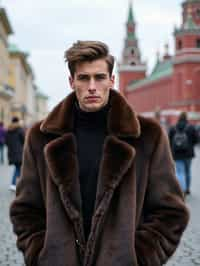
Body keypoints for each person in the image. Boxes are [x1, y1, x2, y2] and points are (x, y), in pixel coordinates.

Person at [10, 41, 189, 266]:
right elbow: (25, 210)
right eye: (84, 78)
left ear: (112, 81)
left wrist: (139, 258)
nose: (92, 86)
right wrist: (40, 254)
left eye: (100, 77)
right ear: (71, 81)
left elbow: (170, 212)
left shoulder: (147, 137)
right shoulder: (41, 138)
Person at [169, 112, 198, 195]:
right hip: (188, 154)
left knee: (180, 172)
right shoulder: (191, 127)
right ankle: (187, 189)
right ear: (186, 118)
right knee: (188, 171)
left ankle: (182, 190)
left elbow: (169, 140)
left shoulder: (173, 128)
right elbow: (196, 140)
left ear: (179, 118)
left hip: (177, 154)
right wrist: (190, 145)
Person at [5, 117, 25, 191]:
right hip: (19, 153)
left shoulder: (8, 130)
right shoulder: (20, 130)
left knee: (18, 168)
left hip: (12, 153)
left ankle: (16, 184)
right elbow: (24, 140)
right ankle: (14, 184)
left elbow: (6, 142)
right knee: (18, 169)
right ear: (17, 122)